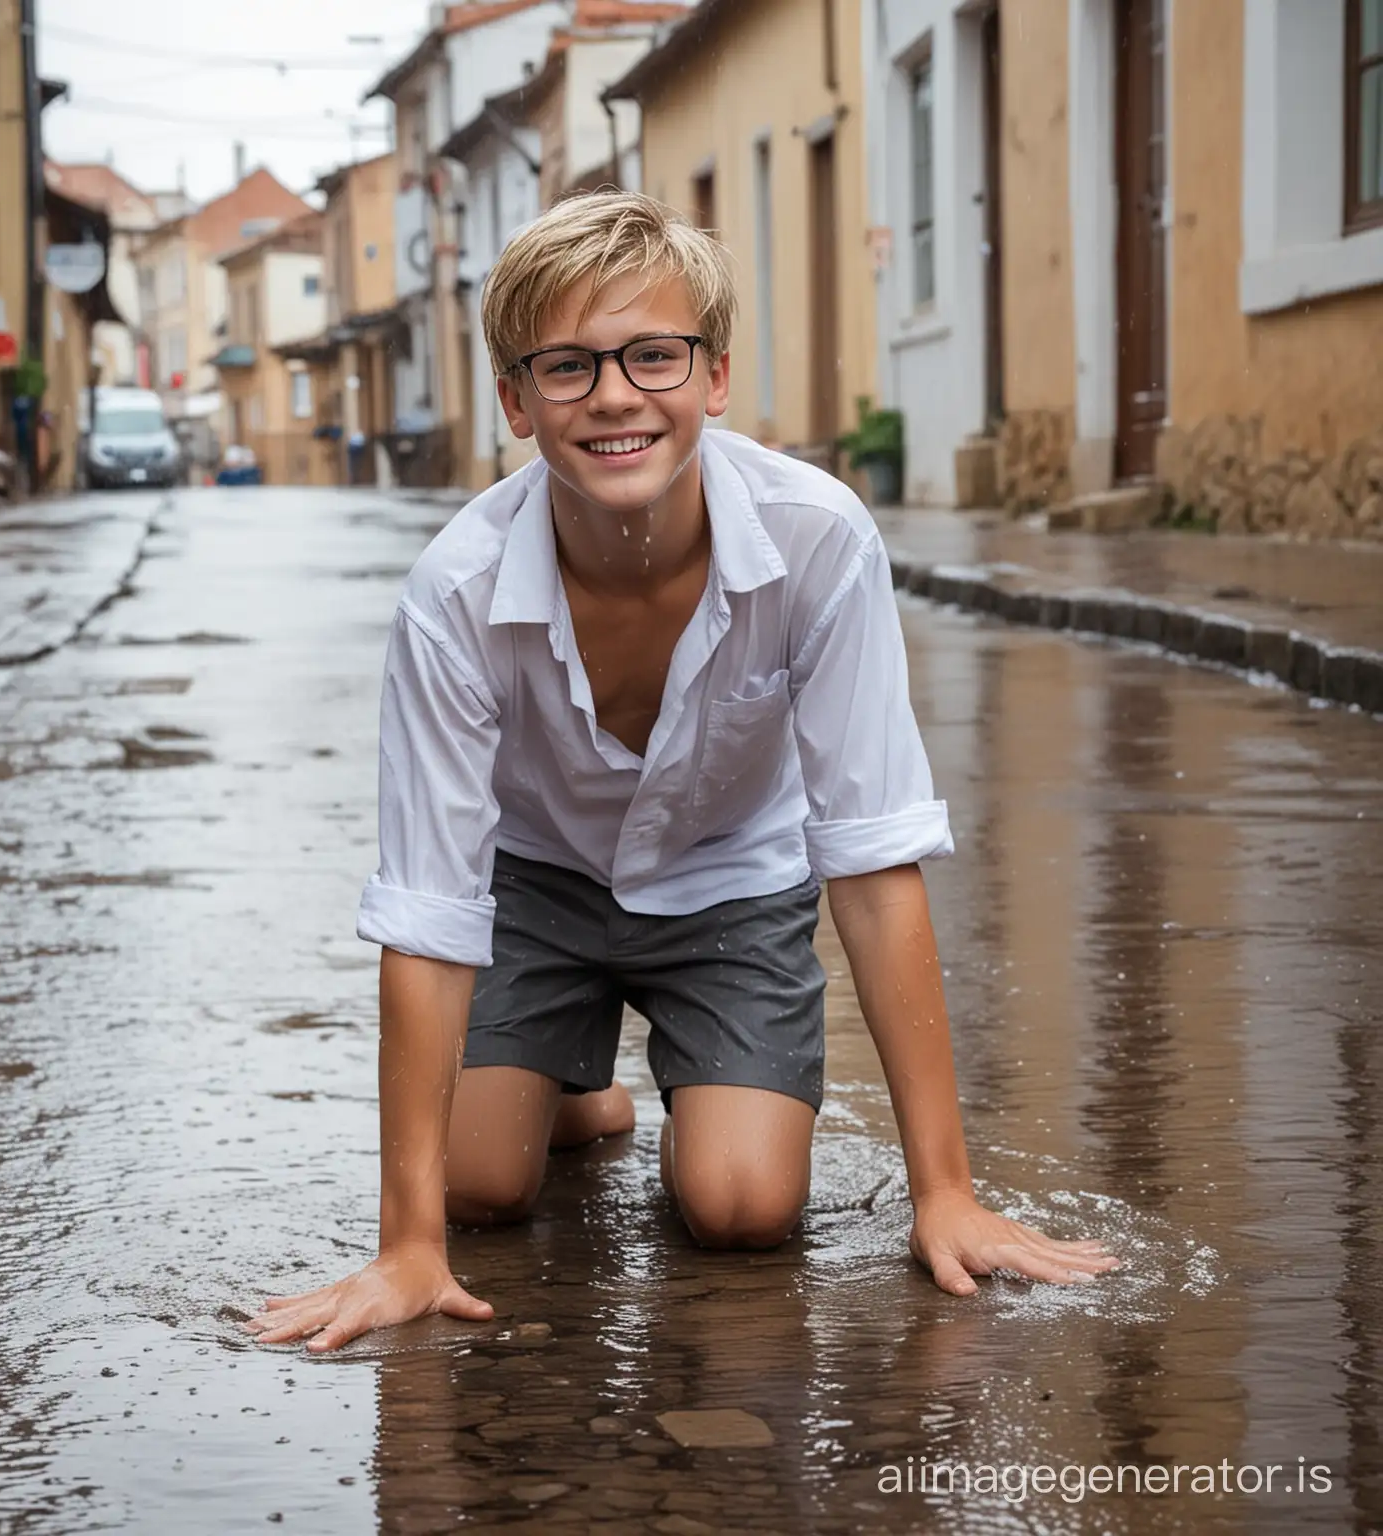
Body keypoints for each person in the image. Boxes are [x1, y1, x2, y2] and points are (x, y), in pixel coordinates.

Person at [245, 192, 1118, 1353]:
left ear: (711, 375)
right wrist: (410, 1245)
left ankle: (663, 1076)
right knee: (476, 1186)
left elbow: (870, 857)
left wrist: (942, 1191)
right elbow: (431, 910)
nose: (615, 395)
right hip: (538, 891)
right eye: (566, 366)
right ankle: (580, 1088)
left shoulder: (818, 540)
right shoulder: (453, 597)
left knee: (744, 1207)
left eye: (653, 354)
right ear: (514, 400)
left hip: (731, 888)